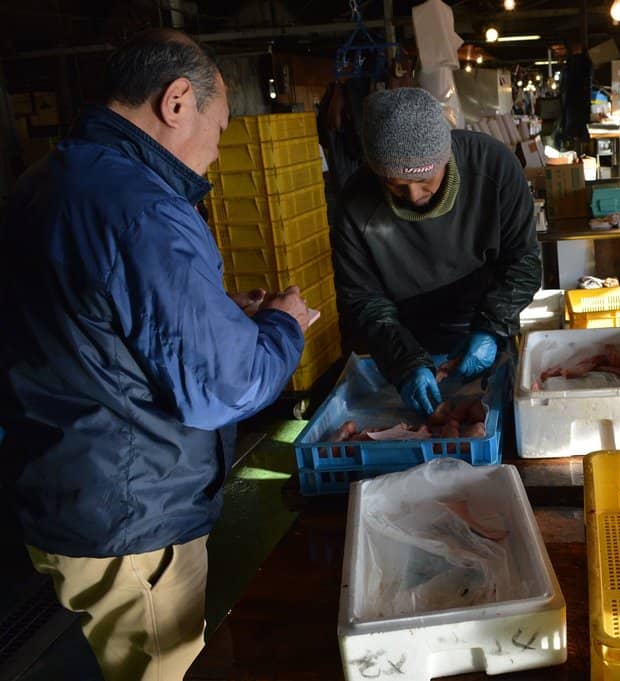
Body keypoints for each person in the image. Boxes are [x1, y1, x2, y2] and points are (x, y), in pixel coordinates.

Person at [0, 29, 317, 680]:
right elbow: (224, 386)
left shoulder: (49, 180)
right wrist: (282, 325)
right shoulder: (140, 206)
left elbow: (96, 326)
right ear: (176, 102)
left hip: (70, 487)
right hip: (132, 517)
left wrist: (217, 314)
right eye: (219, 128)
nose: (217, 151)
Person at [331, 87, 541, 415]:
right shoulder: (354, 206)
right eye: (396, 185)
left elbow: (523, 261)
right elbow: (363, 300)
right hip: (405, 334)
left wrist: (492, 328)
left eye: (425, 180)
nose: (415, 196)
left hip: (486, 319)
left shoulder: (494, 166)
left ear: (445, 157)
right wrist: (405, 362)